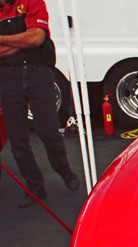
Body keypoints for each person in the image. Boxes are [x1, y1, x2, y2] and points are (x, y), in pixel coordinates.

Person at [0, 0, 79, 208]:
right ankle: (35, 187)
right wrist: (22, 42)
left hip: (38, 73)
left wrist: (4, 40)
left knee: (49, 132)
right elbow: (30, 39)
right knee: (18, 140)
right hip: (7, 77)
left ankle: (64, 170)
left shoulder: (32, 1)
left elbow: (37, 38)